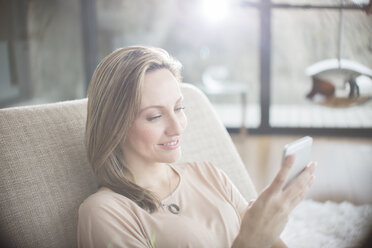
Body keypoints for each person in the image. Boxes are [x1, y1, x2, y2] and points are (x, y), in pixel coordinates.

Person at [78, 46, 316, 247]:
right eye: (154, 116)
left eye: (179, 108)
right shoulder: (105, 212)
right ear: (115, 125)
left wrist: (270, 224)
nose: (177, 127)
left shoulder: (208, 174)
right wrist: (251, 240)